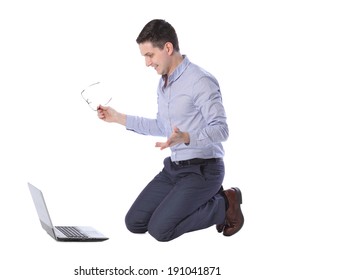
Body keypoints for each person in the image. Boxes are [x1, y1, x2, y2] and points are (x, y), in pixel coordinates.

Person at [97, 19, 244, 242]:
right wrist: (117, 118)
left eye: (150, 55)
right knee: (135, 222)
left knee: (160, 230)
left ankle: (225, 203)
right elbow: (161, 126)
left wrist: (187, 137)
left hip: (204, 170)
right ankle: (195, 200)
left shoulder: (200, 81)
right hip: (174, 169)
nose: (147, 63)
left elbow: (222, 130)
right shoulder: (164, 83)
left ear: (167, 48)